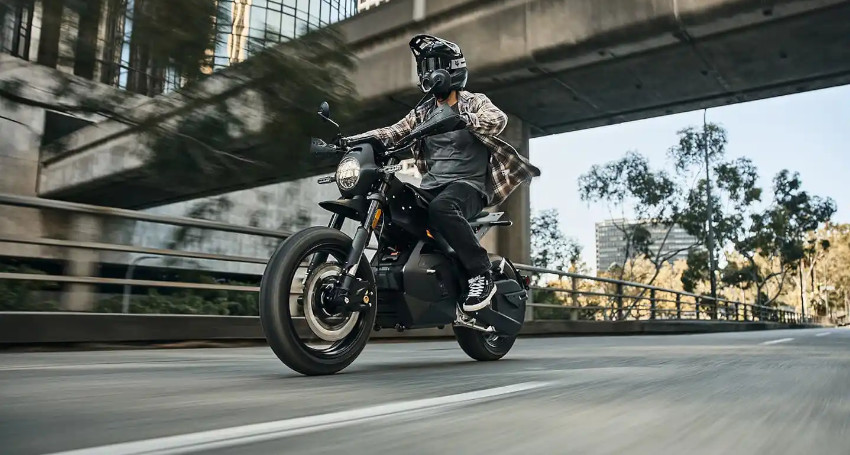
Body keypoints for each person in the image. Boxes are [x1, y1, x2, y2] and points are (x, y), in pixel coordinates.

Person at [347, 34, 540, 312]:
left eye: (434, 66)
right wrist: (350, 141)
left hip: (469, 188)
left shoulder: (473, 102)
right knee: (391, 201)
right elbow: (392, 132)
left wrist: (465, 119)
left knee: (443, 207)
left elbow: (498, 120)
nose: (428, 73)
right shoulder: (422, 112)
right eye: (424, 67)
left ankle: (481, 273)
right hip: (431, 187)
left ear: (452, 70)